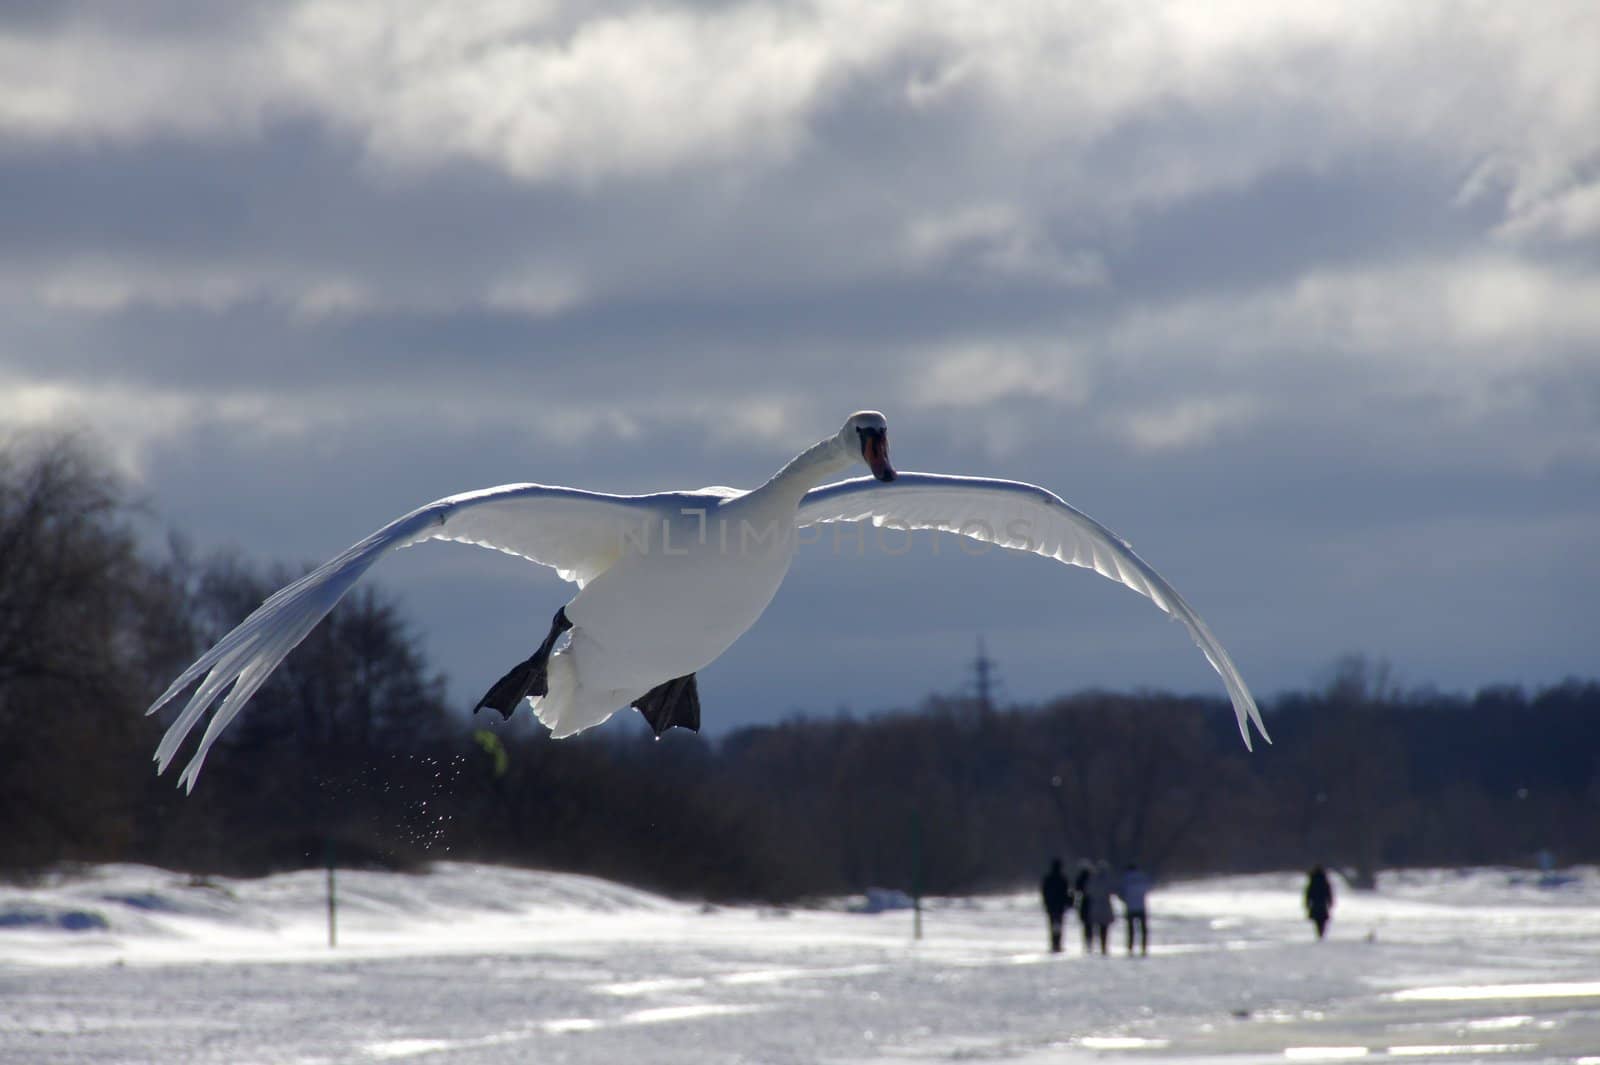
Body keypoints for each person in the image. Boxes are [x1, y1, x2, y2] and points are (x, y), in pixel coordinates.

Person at [1117, 862, 1152, 956]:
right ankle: (1144, 947)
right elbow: (1148, 888)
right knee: (1143, 929)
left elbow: (1120, 893)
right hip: (1141, 906)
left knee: (1131, 929)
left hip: (1130, 907)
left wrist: (1126, 900)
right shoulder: (1142, 877)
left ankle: (1130, 947)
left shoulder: (1125, 878)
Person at [1040, 858, 1073, 953]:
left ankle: (1054, 943)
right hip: (1060, 906)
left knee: (1052, 925)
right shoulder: (1063, 879)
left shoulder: (1048, 878)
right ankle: (1057, 944)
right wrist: (1069, 903)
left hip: (1051, 906)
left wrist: (1046, 903)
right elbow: (1067, 893)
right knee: (1059, 925)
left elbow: (1044, 892)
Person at [1084, 860, 1115, 954]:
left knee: (1094, 926)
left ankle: (1091, 945)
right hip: (1105, 906)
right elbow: (1113, 891)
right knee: (1104, 927)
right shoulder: (1108, 880)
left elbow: (1088, 891)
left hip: (1095, 906)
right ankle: (1103, 945)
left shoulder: (1092, 880)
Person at [1305, 865, 1334, 939]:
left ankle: (1319, 932)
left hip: (1315, 904)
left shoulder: (1312, 882)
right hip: (1323, 904)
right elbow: (1329, 893)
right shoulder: (1325, 882)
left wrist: (1307, 903)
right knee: (1323, 920)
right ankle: (1321, 932)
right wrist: (1330, 902)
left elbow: (1308, 894)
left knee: (1317, 920)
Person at [1073, 860, 1094, 951]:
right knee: (1090, 924)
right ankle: (1090, 941)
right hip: (1092, 903)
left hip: (1084, 903)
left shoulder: (1080, 879)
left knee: (1086, 925)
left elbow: (1076, 891)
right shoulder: (1092, 878)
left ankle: (1087, 941)